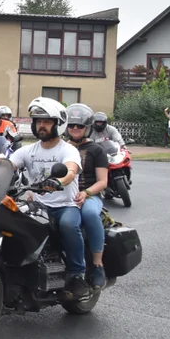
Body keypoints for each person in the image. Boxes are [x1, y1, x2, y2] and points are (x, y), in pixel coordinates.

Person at [9, 96, 86, 297]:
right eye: (38, 122)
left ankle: (78, 274)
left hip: (65, 205)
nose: (41, 126)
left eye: (46, 122)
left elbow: (70, 170)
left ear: (57, 124)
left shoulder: (68, 150)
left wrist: (59, 182)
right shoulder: (28, 151)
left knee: (69, 225)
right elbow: (8, 165)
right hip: (37, 205)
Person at [64, 103, 109, 290]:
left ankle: (98, 265)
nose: (75, 129)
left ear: (88, 127)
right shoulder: (60, 147)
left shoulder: (97, 150)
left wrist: (86, 192)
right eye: (71, 125)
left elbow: (102, 181)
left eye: (80, 125)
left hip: (90, 195)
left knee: (90, 214)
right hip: (65, 195)